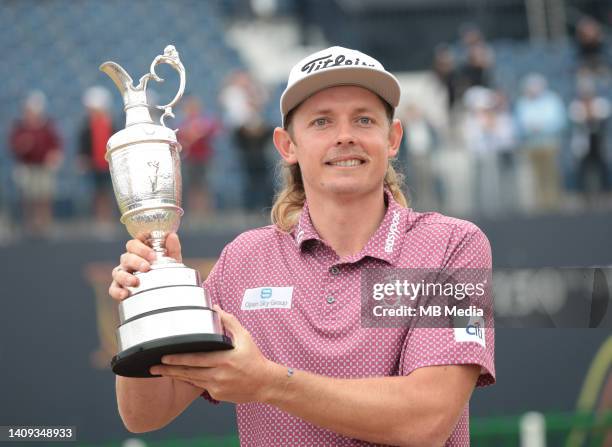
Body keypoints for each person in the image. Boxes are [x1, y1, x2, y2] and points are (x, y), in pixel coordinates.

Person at [108, 46, 495, 446]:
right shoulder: (243, 261)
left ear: (392, 138)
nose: (345, 136)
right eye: (321, 122)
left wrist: (271, 383)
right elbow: (145, 414)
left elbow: (427, 419)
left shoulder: (451, 245)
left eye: (363, 119)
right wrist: (151, 300)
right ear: (286, 145)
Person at [9, 90, 62, 235]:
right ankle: (31, 225)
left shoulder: (46, 126)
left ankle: (45, 224)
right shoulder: (20, 127)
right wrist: (22, 146)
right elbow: (14, 145)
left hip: (43, 167)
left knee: (44, 196)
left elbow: (55, 144)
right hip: (27, 166)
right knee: (29, 197)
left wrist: (53, 155)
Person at [78, 86, 116, 227]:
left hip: (108, 165)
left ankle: (108, 217)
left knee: (108, 192)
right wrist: (83, 157)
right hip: (94, 164)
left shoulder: (110, 124)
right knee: (97, 193)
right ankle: (100, 218)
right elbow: (84, 144)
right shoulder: (87, 126)